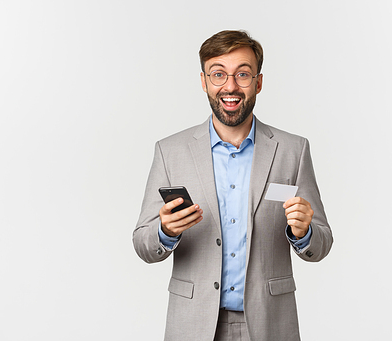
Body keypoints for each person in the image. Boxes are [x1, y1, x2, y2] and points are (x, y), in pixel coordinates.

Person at [133, 30, 333, 341]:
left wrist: (304, 232)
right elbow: (143, 243)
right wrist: (166, 231)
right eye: (218, 74)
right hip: (193, 323)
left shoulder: (293, 150)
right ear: (203, 81)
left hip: (270, 323)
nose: (230, 86)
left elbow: (322, 244)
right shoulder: (170, 151)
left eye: (242, 74)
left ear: (258, 82)